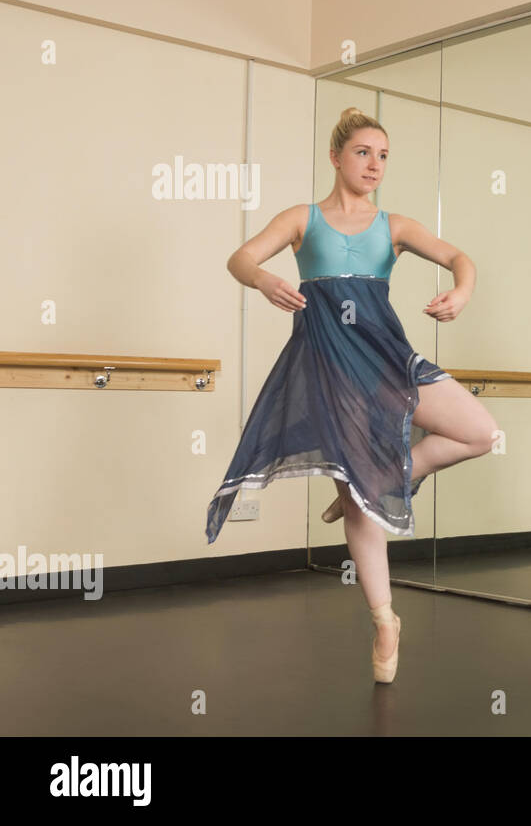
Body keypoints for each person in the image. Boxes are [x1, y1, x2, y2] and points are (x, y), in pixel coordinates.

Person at [206, 107, 497, 682]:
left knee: (481, 432)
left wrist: (462, 290)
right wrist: (265, 280)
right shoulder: (303, 219)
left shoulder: (394, 226)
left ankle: (376, 481)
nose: (375, 164)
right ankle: (385, 620)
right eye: (364, 152)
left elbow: (459, 257)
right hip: (331, 371)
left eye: (384, 155)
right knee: (364, 510)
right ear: (337, 157)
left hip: (389, 358)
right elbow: (240, 258)